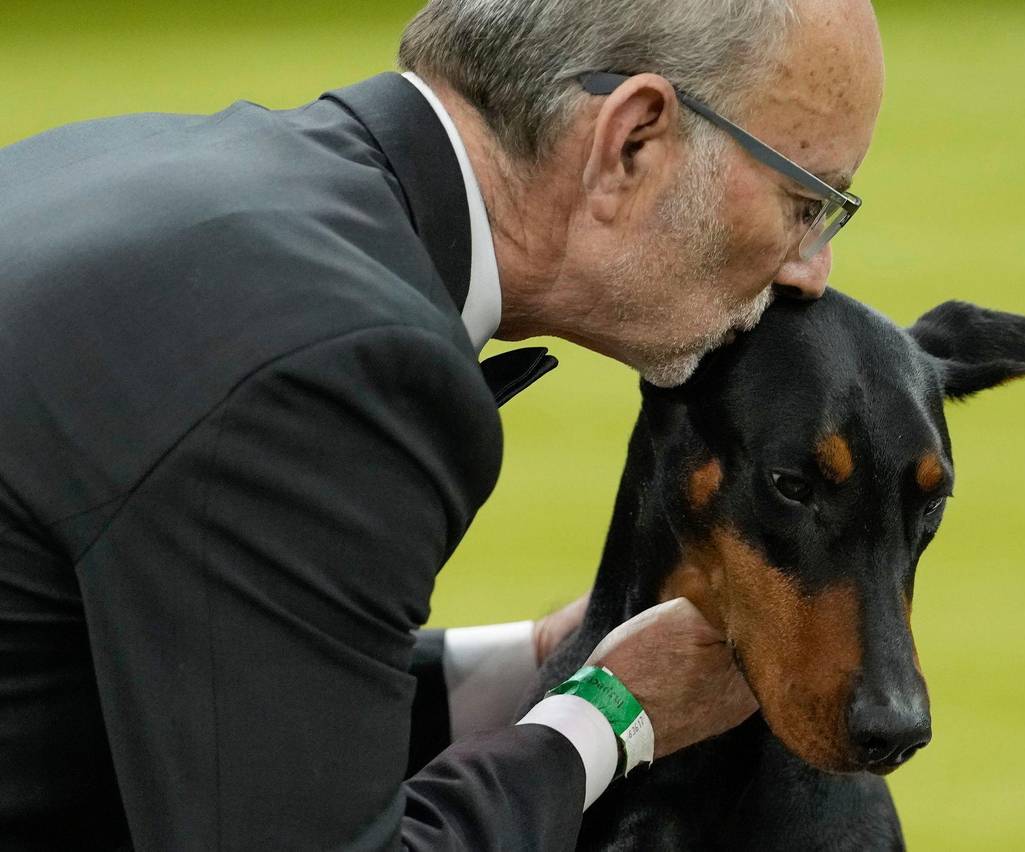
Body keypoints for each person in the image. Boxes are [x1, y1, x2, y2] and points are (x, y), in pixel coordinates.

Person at [0, 0, 886, 847]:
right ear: (632, 141)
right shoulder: (337, 359)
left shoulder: (136, 165)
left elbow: (190, 684)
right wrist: (613, 714)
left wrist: (542, 659)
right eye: (805, 203)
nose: (811, 270)